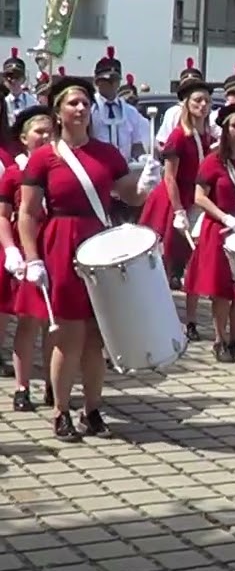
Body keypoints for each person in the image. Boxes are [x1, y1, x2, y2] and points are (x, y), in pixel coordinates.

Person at [18, 76, 146, 441]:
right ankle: (60, 411)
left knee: (96, 336)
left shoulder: (107, 153)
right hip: (61, 242)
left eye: (85, 103)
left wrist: (144, 185)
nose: (81, 108)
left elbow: (129, 197)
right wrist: (32, 258)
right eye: (73, 103)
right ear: (58, 111)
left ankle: (92, 409)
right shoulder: (46, 157)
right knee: (68, 334)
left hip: (100, 243)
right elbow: (27, 212)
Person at [138, 72, 215, 339]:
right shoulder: (179, 136)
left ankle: (191, 320)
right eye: (197, 101)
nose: (202, 106)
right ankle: (157, 317)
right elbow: (168, 176)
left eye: (206, 101)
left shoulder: (207, 135)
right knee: (165, 262)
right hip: (173, 201)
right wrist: (179, 210)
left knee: (195, 259)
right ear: (186, 104)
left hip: (196, 201)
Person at [184, 102, 235, 361]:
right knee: (221, 290)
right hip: (219, 230)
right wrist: (225, 217)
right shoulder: (213, 161)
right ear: (226, 130)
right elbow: (199, 197)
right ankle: (219, 339)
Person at [0, 105, 55, 411]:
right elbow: (3, 216)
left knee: (56, 323)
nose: (46, 137)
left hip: (55, 250)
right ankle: (22, 387)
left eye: (50, 131)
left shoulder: (61, 167)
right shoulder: (13, 173)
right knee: (28, 323)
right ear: (23, 138)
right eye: (39, 132)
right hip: (26, 254)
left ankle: (53, 382)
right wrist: (10, 250)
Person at [89, 46, 147, 161]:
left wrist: (143, 158)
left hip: (124, 168)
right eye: (106, 81)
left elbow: (136, 144)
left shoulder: (130, 111)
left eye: (115, 80)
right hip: (98, 167)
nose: (111, 84)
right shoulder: (89, 108)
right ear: (97, 81)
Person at [154, 58, 206, 149]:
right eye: (187, 87)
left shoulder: (207, 110)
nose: (191, 90)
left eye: (194, 86)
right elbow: (164, 142)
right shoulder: (174, 112)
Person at [3, 49, 37, 124]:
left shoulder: (33, 102)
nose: (13, 80)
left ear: (23, 79)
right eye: (10, 77)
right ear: (4, 80)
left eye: (17, 76)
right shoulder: (3, 102)